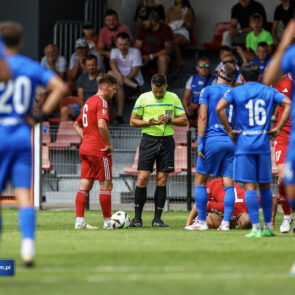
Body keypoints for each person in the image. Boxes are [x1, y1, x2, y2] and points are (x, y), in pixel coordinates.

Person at [0, 21, 68, 266]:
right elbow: (60, 87)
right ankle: (27, 246)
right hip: (21, 133)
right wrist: (39, 116)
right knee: (23, 195)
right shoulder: (29, 66)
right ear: (20, 43)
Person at [216, 63, 291, 238]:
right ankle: (268, 227)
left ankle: (256, 228)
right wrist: (278, 128)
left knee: (250, 187)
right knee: (265, 187)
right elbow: (287, 103)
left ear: (242, 77)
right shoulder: (268, 90)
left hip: (244, 144)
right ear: (259, 76)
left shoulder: (236, 91)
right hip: (263, 144)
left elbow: (220, 107)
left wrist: (229, 130)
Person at [128, 74, 188, 227]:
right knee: (142, 178)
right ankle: (137, 219)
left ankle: (157, 219)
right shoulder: (143, 98)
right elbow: (132, 121)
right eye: (156, 92)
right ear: (151, 87)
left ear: (166, 86)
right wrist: (146, 123)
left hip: (167, 142)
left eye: (161, 91)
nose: (159, 94)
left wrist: (169, 120)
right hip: (148, 140)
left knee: (162, 179)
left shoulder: (173, 98)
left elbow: (184, 120)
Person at [191, 63, 237, 232]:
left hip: (212, 140)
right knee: (228, 182)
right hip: (232, 142)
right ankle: (225, 223)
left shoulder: (207, 91)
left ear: (219, 72)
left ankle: (202, 221)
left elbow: (203, 118)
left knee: (200, 181)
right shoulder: (236, 92)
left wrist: (200, 141)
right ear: (233, 78)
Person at [73, 74, 117, 230]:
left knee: (85, 184)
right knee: (106, 185)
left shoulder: (88, 102)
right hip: (99, 149)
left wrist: (87, 139)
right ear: (105, 88)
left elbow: (76, 125)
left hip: (85, 148)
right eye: (113, 89)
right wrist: (109, 144)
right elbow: (102, 126)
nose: (115, 92)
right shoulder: (102, 102)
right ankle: (107, 222)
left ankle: (79, 221)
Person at [185, 178, 278, 230]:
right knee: (222, 224)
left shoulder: (252, 203)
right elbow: (201, 204)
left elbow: (273, 197)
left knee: (229, 222)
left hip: (228, 182)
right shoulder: (225, 207)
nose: (238, 226)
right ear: (240, 222)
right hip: (213, 186)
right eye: (239, 226)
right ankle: (197, 221)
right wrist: (188, 223)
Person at [272, 74, 295, 233]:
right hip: (284, 136)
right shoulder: (280, 82)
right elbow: (269, 105)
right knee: (282, 176)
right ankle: (287, 216)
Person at [108, 32, 144, 124]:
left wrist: (122, 79)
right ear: (116, 44)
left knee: (111, 75)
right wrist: (119, 77)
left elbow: (134, 72)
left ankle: (119, 116)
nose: (122, 47)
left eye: (125, 44)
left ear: (129, 43)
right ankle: (119, 116)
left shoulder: (135, 52)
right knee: (112, 75)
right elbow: (113, 64)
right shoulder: (114, 51)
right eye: (120, 44)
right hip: (124, 83)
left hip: (134, 80)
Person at [135, 8, 174, 75]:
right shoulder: (143, 29)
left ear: (153, 21)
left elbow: (168, 49)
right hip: (143, 58)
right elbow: (137, 47)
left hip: (158, 57)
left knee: (163, 58)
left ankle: (161, 84)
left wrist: (151, 56)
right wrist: (141, 56)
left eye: (145, 20)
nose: (143, 22)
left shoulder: (165, 29)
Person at [61, 55, 100, 121]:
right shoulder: (81, 78)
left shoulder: (103, 78)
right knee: (65, 110)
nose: (91, 67)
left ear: (97, 65)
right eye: (89, 65)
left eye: (93, 65)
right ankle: (64, 132)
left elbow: (103, 98)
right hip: (84, 106)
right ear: (85, 66)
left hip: (99, 108)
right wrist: (84, 110)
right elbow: (81, 98)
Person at [182, 57, 216, 122]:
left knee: (201, 110)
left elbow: (213, 99)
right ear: (197, 68)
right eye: (201, 66)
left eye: (206, 66)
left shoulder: (214, 80)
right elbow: (186, 97)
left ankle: (200, 131)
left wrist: (197, 106)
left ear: (209, 68)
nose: (204, 68)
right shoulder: (192, 79)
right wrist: (187, 107)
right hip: (193, 106)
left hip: (207, 106)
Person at [165, 0, 194, 71]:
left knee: (174, 42)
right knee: (169, 41)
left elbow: (190, 27)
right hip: (171, 31)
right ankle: (170, 64)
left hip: (182, 31)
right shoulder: (170, 9)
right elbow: (166, 24)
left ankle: (178, 67)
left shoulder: (187, 10)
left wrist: (184, 21)